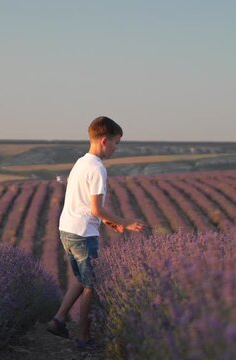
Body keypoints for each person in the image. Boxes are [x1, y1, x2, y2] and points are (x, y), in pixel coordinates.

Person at [46, 116, 146, 349]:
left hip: (67, 230)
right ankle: (83, 338)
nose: (116, 149)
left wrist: (110, 224)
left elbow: (82, 204)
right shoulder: (98, 169)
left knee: (82, 279)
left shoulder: (81, 163)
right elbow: (95, 208)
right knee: (91, 284)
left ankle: (59, 320)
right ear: (104, 140)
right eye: (116, 143)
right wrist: (126, 222)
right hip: (83, 234)